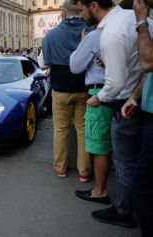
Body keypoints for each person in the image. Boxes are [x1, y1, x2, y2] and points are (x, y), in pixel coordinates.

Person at [72, 0, 153, 228]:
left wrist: (98, 98)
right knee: (137, 163)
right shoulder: (134, 20)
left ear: (94, 5)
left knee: (125, 162)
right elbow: (139, 64)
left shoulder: (111, 33)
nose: (80, 15)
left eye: (81, 10)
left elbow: (115, 83)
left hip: (124, 105)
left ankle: (123, 210)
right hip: (140, 100)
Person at [42, 0, 91, 181]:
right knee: (83, 130)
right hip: (84, 87)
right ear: (80, 10)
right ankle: (84, 172)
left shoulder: (50, 35)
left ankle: (60, 168)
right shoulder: (91, 32)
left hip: (61, 88)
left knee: (61, 130)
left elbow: (45, 63)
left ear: (63, 13)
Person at [121, 0, 153, 235]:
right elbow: (148, 72)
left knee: (140, 186)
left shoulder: (144, 22)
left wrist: (141, 21)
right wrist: (134, 96)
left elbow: (148, 61)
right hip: (147, 113)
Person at [70, 28, 112, 203]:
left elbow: (75, 66)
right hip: (116, 90)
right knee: (109, 144)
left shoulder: (95, 35)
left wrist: (83, 42)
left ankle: (99, 191)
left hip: (99, 90)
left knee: (99, 146)